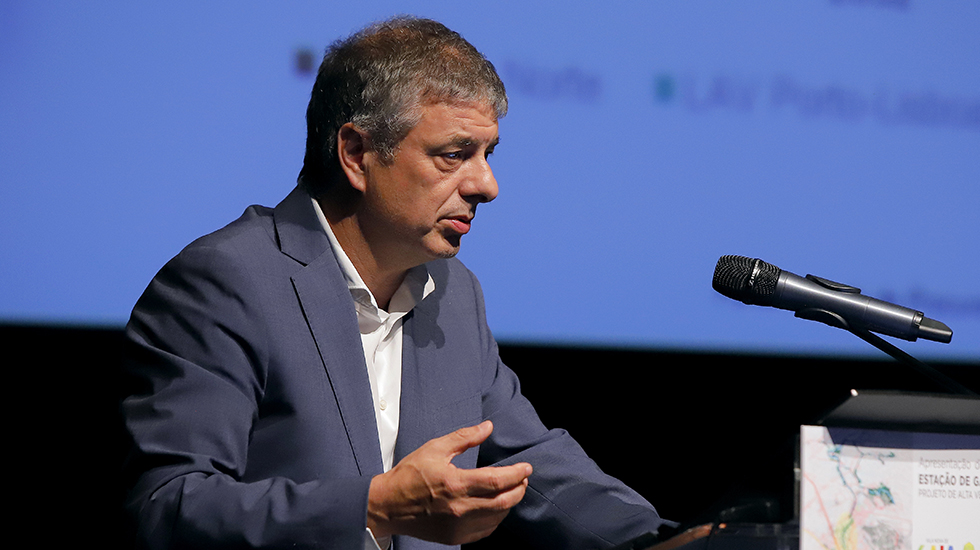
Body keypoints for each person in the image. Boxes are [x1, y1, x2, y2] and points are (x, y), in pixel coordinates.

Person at [120, 16, 666, 550]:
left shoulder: (455, 294)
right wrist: (374, 508)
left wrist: (674, 542)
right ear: (356, 154)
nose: (487, 185)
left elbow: (531, 467)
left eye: (488, 154)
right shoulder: (225, 282)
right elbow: (166, 506)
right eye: (454, 155)